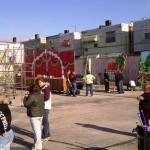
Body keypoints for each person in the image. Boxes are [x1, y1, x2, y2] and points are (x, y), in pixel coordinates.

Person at [23, 84, 44, 150]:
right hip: (40, 114)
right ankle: (37, 144)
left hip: (34, 115)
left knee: (36, 131)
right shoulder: (41, 95)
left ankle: (38, 146)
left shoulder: (32, 96)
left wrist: (25, 98)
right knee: (38, 130)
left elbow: (26, 104)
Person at [37, 78, 51, 142]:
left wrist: (40, 100)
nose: (39, 84)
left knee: (45, 121)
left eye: (40, 82)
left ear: (43, 82)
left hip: (46, 106)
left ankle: (44, 136)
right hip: (44, 106)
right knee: (45, 121)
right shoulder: (43, 88)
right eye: (38, 82)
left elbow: (47, 97)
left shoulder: (46, 88)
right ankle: (47, 135)